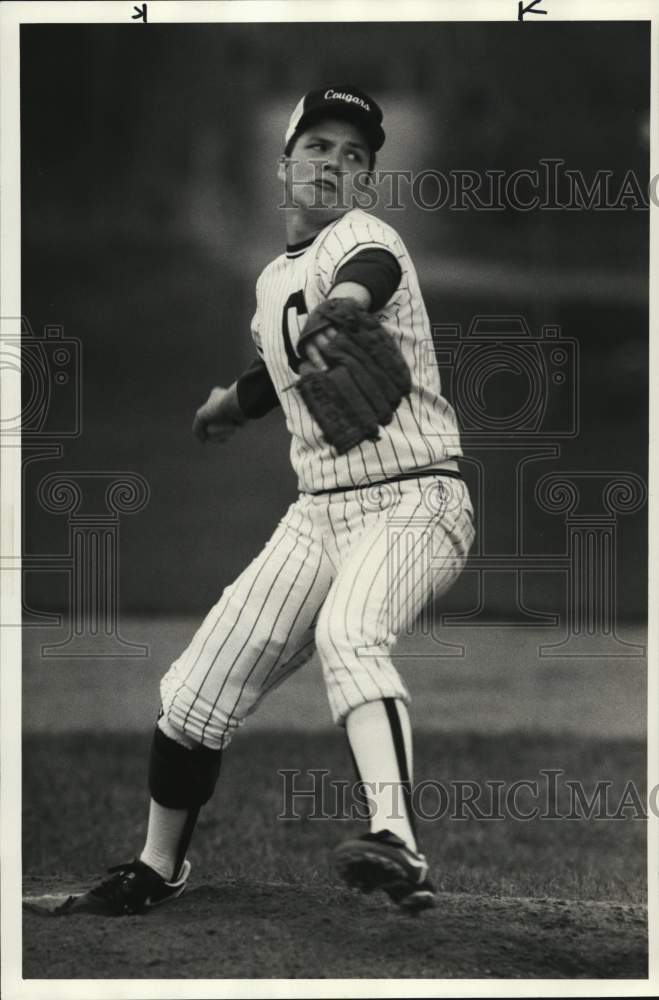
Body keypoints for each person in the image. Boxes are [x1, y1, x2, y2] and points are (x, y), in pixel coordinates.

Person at [56, 85, 475, 917]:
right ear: (284, 163)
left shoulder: (365, 239)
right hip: (318, 514)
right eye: (318, 145)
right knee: (191, 692)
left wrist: (346, 306)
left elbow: (364, 279)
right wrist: (229, 406)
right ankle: (156, 866)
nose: (335, 163)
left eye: (354, 156)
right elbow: (279, 365)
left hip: (416, 501)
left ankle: (396, 841)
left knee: (349, 632)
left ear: (364, 184)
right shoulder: (268, 282)